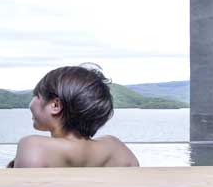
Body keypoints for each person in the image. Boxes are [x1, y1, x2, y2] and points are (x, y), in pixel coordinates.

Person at [9, 64, 138, 168]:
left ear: (55, 105)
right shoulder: (116, 149)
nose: (31, 103)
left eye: (36, 96)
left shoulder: (34, 146)